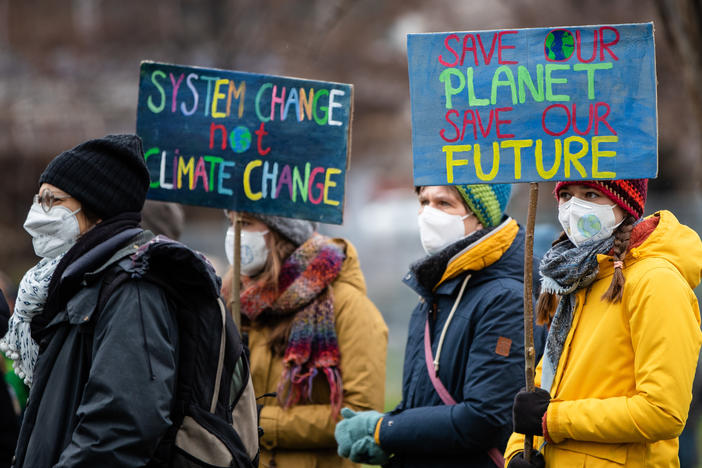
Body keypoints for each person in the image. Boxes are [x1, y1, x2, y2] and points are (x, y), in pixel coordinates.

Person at [2, 134, 226, 466]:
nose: (36, 213)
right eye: (38, 198)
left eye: (51, 200)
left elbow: (121, 425)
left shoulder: (132, 289)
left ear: (95, 207)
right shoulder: (78, 281)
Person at [336, 183, 540, 467]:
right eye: (424, 201)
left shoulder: (506, 299)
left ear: (481, 216)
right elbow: (424, 399)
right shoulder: (438, 288)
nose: (428, 214)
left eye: (444, 203)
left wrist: (385, 429)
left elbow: (485, 418)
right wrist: (393, 440)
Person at [505, 179, 702, 467]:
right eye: (566, 196)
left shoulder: (657, 282)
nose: (574, 207)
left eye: (590, 194)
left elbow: (662, 412)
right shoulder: (577, 275)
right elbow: (544, 384)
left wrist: (554, 420)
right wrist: (516, 452)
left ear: (624, 205)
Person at [220, 210, 388, 468]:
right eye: (231, 223)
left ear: (282, 232)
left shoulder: (349, 308)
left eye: (245, 223)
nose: (234, 234)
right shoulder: (236, 301)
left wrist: (259, 422)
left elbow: (359, 415)